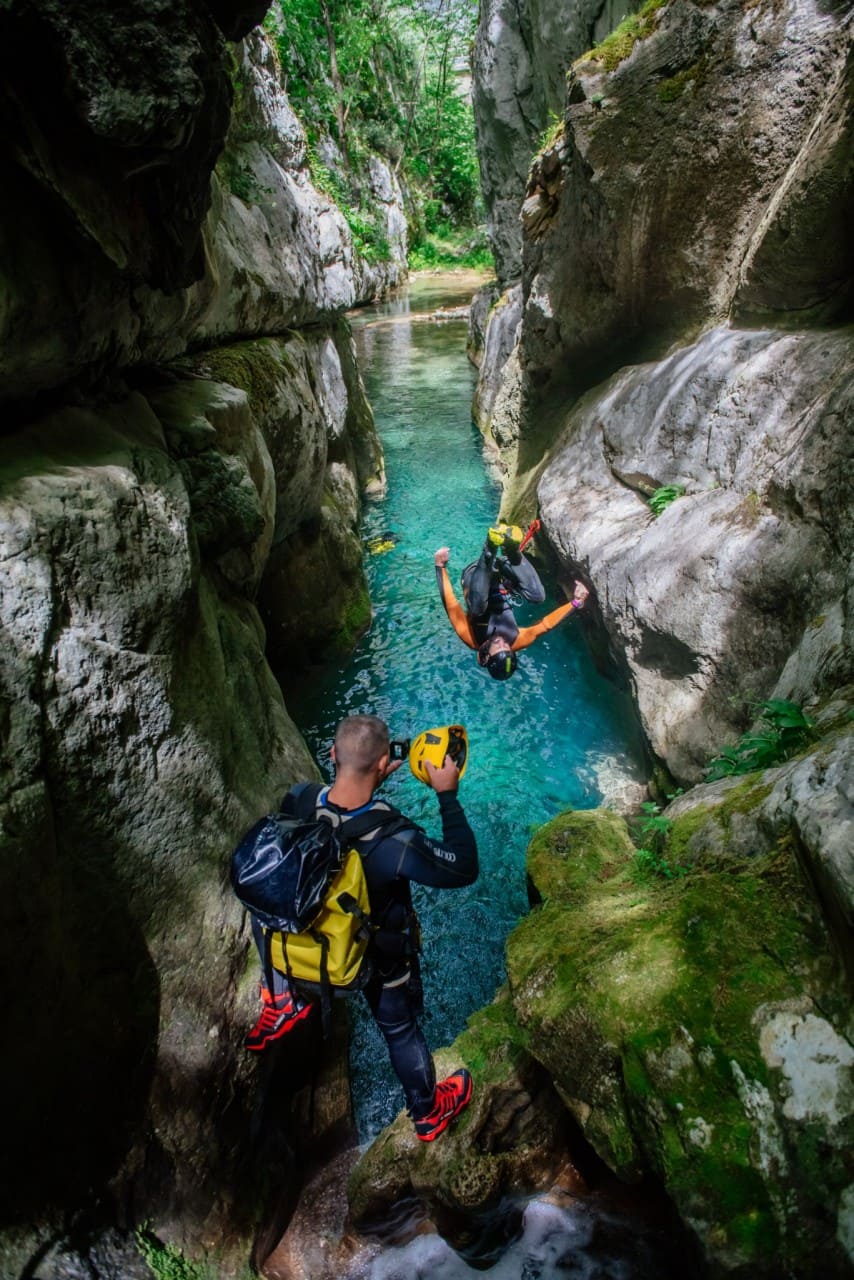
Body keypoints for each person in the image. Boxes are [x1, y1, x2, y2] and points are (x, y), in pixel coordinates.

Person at [245, 714, 479, 1143]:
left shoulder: (298, 800)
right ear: (384, 764)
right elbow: (463, 868)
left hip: (305, 951)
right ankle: (428, 1114)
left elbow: (337, 817)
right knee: (400, 1030)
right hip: (376, 962)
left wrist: (366, 781)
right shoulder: (396, 839)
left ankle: (279, 1001)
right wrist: (447, 795)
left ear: (332, 755)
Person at [434, 523, 590, 680]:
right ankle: (511, 549)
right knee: (538, 596)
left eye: (499, 649)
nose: (503, 644)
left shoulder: (472, 638)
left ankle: (490, 546)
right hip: (502, 574)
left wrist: (440, 566)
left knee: (477, 608)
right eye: (508, 649)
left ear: (487, 657)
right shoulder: (517, 641)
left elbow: (451, 604)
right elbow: (545, 625)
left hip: (475, 574)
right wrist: (575, 603)